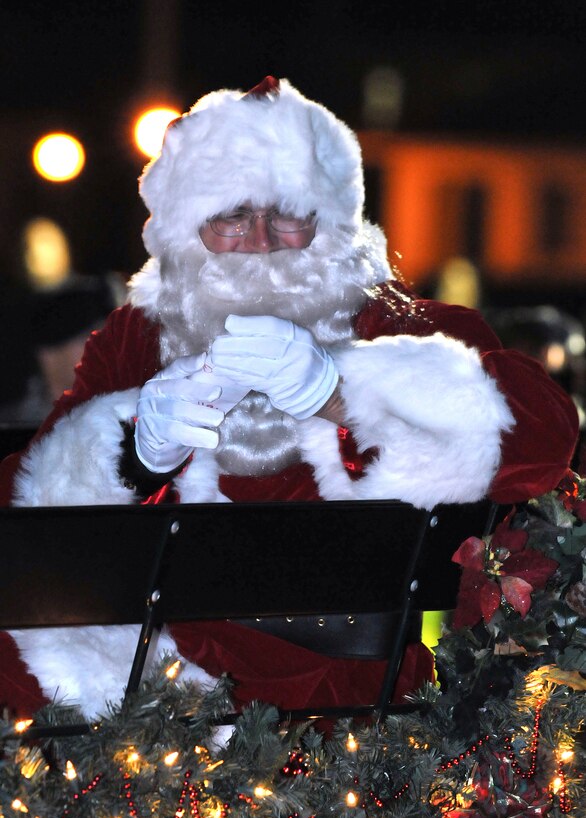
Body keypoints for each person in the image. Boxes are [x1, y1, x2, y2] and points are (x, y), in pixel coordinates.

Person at [0, 77, 579, 720]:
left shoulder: (393, 324)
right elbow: (22, 516)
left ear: (329, 222)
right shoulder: (139, 338)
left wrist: (343, 395)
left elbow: (543, 438)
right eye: (230, 216)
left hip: (346, 714)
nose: (260, 240)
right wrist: (130, 456)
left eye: (287, 214)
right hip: (150, 699)